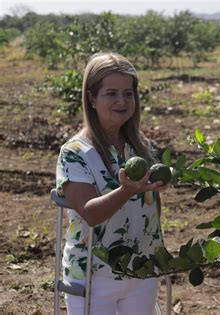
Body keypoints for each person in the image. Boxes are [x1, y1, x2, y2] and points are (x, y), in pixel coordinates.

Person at [55, 52, 166, 315]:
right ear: (92, 98)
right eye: (111, 93)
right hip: (94, 274)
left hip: (141, 268)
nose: (122, 101)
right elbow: (90, 213)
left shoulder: (140, 147)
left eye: (128, 93)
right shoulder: (75, 152)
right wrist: (126, 190)